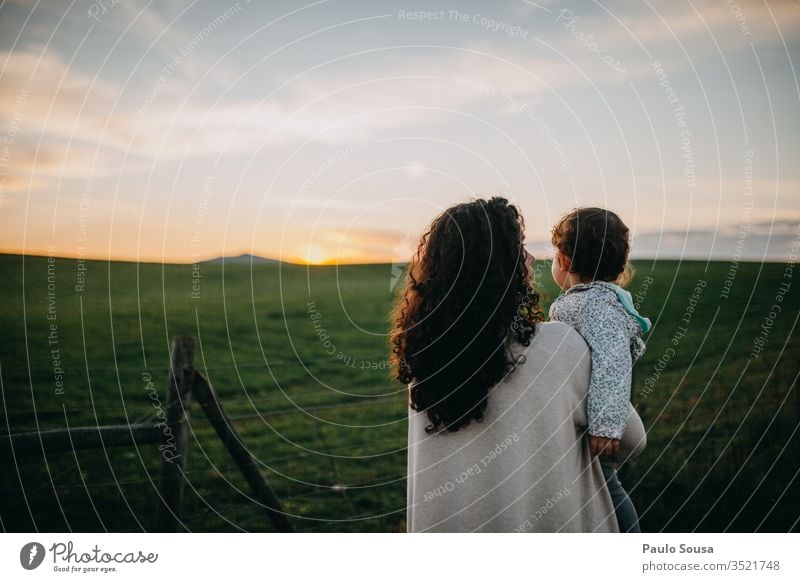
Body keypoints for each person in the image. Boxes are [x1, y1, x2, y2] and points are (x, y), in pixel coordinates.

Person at [391, 197, 646, 532]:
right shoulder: (560, 346)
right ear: (502, 267)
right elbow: (633, 438)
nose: (531, 257)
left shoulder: (426, 359)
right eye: (521, 247)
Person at [549, 207, 652, 533]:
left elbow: (611, 361)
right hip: (585, 417)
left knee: (607, 489)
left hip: (595, 427)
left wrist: (606, 425)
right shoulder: (593, 301)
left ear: (564, 261)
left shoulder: (591, 305)